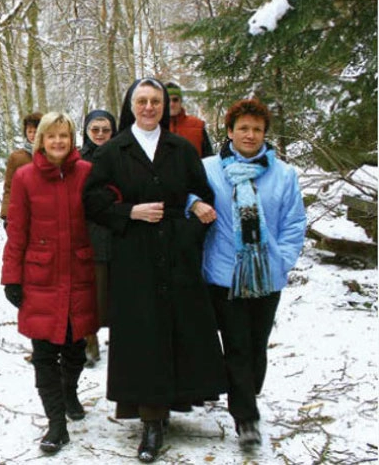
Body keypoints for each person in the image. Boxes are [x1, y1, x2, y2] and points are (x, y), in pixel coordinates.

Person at [83, 78, 226, 463]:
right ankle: (150, 421)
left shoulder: (180, 148)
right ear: (131, 105)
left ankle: (172, 406)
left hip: (177, 254)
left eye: (155, 101)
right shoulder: (113, 150)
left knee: (178, 329)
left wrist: (193, 217)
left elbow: (203, 194)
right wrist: (129, 212)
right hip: (134, 255)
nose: (149, 107)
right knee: (143, 336)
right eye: (142, 101)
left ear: (165, 106)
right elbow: (93, 202)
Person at [202, 98, 306, 448]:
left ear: (265, 134)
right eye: (243, 128)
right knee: (237, 346)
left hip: (266, 276)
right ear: (229, 131)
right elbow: (186, 198)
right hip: (225, 275)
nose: (250, 135)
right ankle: (246, 419)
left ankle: (245, 391)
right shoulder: (209, 169)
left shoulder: (285, 174)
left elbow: (294, 223)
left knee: (257, 347)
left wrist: (283, 259)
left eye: (257, 129)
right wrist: (193, 204)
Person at [1, 112, 99, 454]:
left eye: (64, 136)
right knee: (44, 354)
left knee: (75, 349)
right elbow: (17, 231)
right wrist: (11, 277)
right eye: (51, 136)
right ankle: (56, 424)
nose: (58, 142)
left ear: (72, 140)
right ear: (40, 140)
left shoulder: (87, 173)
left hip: (80, 274)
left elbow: (106, 210)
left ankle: (69, 390)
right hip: (39, 276)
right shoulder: (25, 177)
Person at [79, 110, 117, 367]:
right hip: (89, 234)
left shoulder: (123, 155)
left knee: (119, 295)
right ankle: (88, 342)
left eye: (106, 129)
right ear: (87, 131)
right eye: (95, 130)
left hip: (120, 233)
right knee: (91, 295)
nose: (101, 134)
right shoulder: (78, 160)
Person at [0, 112, 43, 225]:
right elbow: (9, 187)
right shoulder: (16, 157)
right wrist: (6, 214)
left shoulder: (52, 155)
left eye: (36, 131)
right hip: (22, 211)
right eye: (30, 131)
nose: (33, 135)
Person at [165, 81, 214, 158]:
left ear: (181, 101)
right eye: (168, 100)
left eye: (175, 100)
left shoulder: (198, 126)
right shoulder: (154, 127)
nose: (171, 104)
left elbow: (208, 158)